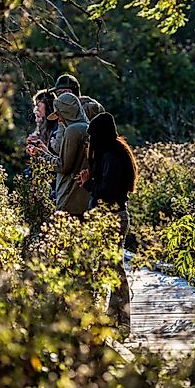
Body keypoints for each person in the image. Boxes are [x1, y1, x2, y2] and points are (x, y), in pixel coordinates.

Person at [76, 112, 137, 332]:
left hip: (111, 218)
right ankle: (114, 315)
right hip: (113, 217)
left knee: (113, 268)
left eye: (92, 138)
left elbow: (107, 193)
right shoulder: (114, 153)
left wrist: (87, 184)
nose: (90, 143)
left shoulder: (112, 156)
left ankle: (121, 319)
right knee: (110, 267)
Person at [27, 92, 90, 215]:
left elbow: (63, 166)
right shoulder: (87, 127)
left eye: (60, 115)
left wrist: (40, 154)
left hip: (69, 200)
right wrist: (45, 152)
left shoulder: (72, 131)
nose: (59, 119)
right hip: (84, 202)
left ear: (66, 112)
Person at [49, 74, 105, 153]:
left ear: (67, 93)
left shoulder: (68, 113)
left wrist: (53, 143)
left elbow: (59, 147)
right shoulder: (97, 108)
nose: (57, 98)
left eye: (58, 94)